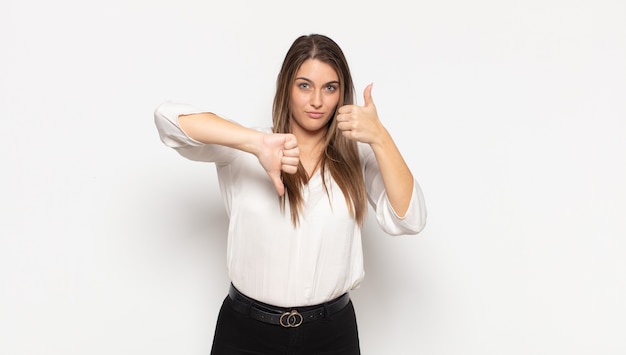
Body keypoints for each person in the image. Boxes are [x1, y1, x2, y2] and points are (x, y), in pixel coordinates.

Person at [154, 33, 426, 355]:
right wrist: (255, 143)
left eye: (330, 88)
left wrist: (380, 138)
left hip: (331, 335)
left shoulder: (358, 159)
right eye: (304, 85)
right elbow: (167, 120)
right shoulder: (245, 149)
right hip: (245, 333)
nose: (317, 101)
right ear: (286, 86)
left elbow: (409, 219)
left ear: (342, 94)